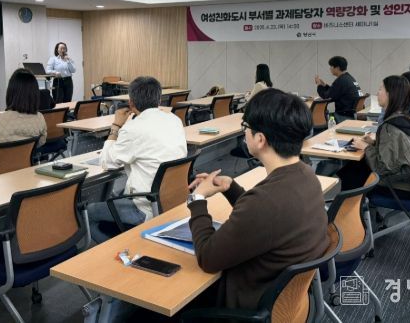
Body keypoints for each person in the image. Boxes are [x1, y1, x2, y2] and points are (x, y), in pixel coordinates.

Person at [186, 89, 329, 310]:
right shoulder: (306, 175)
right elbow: (265, 217)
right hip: (285, 301)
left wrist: (197, 199)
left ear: (260, 139)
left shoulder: (265, 201)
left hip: (248, 303)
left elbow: (208, 258)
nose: (244, 132)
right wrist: (231, 187)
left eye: (246, 127)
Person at [87, 76, 187, 243]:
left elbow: (106, 162)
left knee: (88, 212)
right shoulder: (174, 120)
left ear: (131, 103)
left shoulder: (132, 128)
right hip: (173, 200)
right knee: (119, 193)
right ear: (159, 99)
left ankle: (115, 251)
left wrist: (116, 126)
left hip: (146, 207)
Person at [337, 75, 410, 198]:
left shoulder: (390, 127)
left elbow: (381, 168)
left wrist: (366, 147)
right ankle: (352, 205)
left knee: (353, 172)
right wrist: (374, 143)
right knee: (355, 168)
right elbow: (397, 151)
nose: (377, 92)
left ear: (390, 95)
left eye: (381, 89)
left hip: (403, 186)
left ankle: (349, 208)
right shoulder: (405, 117)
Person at [0, 69, 47, 155]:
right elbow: (41, 142)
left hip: (0, 164)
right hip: (25, 163)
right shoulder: (39, 118)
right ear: (35, 93)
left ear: (10, 92)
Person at [314, 56, 363, 123]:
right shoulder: (349, 78)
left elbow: (327, 97)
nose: (330, 68)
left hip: (344, 115)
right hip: (352, 114)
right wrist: (324, 85)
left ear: (337, 68)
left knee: (318, 118)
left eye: (331, 66)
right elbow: (334, 92)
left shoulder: (341, 81)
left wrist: (319, 85)